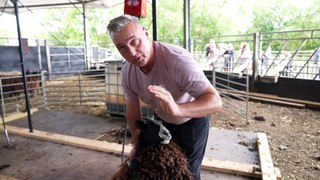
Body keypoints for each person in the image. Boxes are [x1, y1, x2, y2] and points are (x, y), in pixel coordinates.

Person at [107, 14, 222, 179]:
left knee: (187, 172)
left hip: (192, 121)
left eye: (134, 41)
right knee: (160, 168)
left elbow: (216, 102)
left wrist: (177, 110)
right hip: (162, 118)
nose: (131, 52)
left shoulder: (178, 61)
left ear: (146, 34)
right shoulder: (127, 72)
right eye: (122, 47)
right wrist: (137, 145)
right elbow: (133, 109)